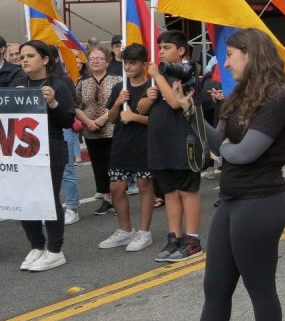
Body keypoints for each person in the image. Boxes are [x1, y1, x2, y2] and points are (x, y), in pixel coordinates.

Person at [148, 29, 285, 321]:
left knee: (260, 287)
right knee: (215, 286)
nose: (225, 62)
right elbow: (217, 141)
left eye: (231, 54)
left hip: (261, 202)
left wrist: (228, 149)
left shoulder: (278, 97)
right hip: (232, 199)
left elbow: (242, 153)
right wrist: (191, 111)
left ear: (252, 54)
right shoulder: (241, 95)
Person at [143, 30, 204, 263]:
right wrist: (149, 95)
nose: (161, 51)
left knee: (187, 190)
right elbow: (141, 108)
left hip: (183, 141)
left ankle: (192, 239)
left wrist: (157, 77)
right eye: (159, 47)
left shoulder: (187, 73)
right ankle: (174, 237)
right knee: (169, 191)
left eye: (166, 47)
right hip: (161, 142)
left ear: (180, 51)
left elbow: (175, 103)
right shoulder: (157, 75)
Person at [16, 40, 76, 272]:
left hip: (51, 146)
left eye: (30, 56)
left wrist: (52, 103)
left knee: (47, 197)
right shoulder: (18, 83)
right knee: (24, 199)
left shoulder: (58, 85)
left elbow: (68, 121)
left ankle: (55, 250)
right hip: (22, 149)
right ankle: (37, 245)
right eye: (22, 57)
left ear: (44, 59)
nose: (24, 60)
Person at [98, 44, 156, 252]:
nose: (129, 67)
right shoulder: (119, 88)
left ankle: (144, 232)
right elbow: (112, 119)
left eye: (133, 62)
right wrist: (117, 103)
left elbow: (158, 121)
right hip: (122, 142)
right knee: (116, 188)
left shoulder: (152, 87)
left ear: (144, 64)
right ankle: (125, 231)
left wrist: (135, 116)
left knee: (144, 186)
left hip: (145, 143)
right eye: (126, 63)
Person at [75, 45, 121, 216]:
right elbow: (76, 106)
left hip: (112, 129)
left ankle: (118, 199)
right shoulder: (82, 82)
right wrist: (88, 122)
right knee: (98, 165)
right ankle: (106, 198)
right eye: (91, 59)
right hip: (91, 131)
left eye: (99, 58)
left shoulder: (117, 80)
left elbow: (119, 104)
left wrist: (102, 120)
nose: (95, 61)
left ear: (107, 62)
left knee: (114, 164)